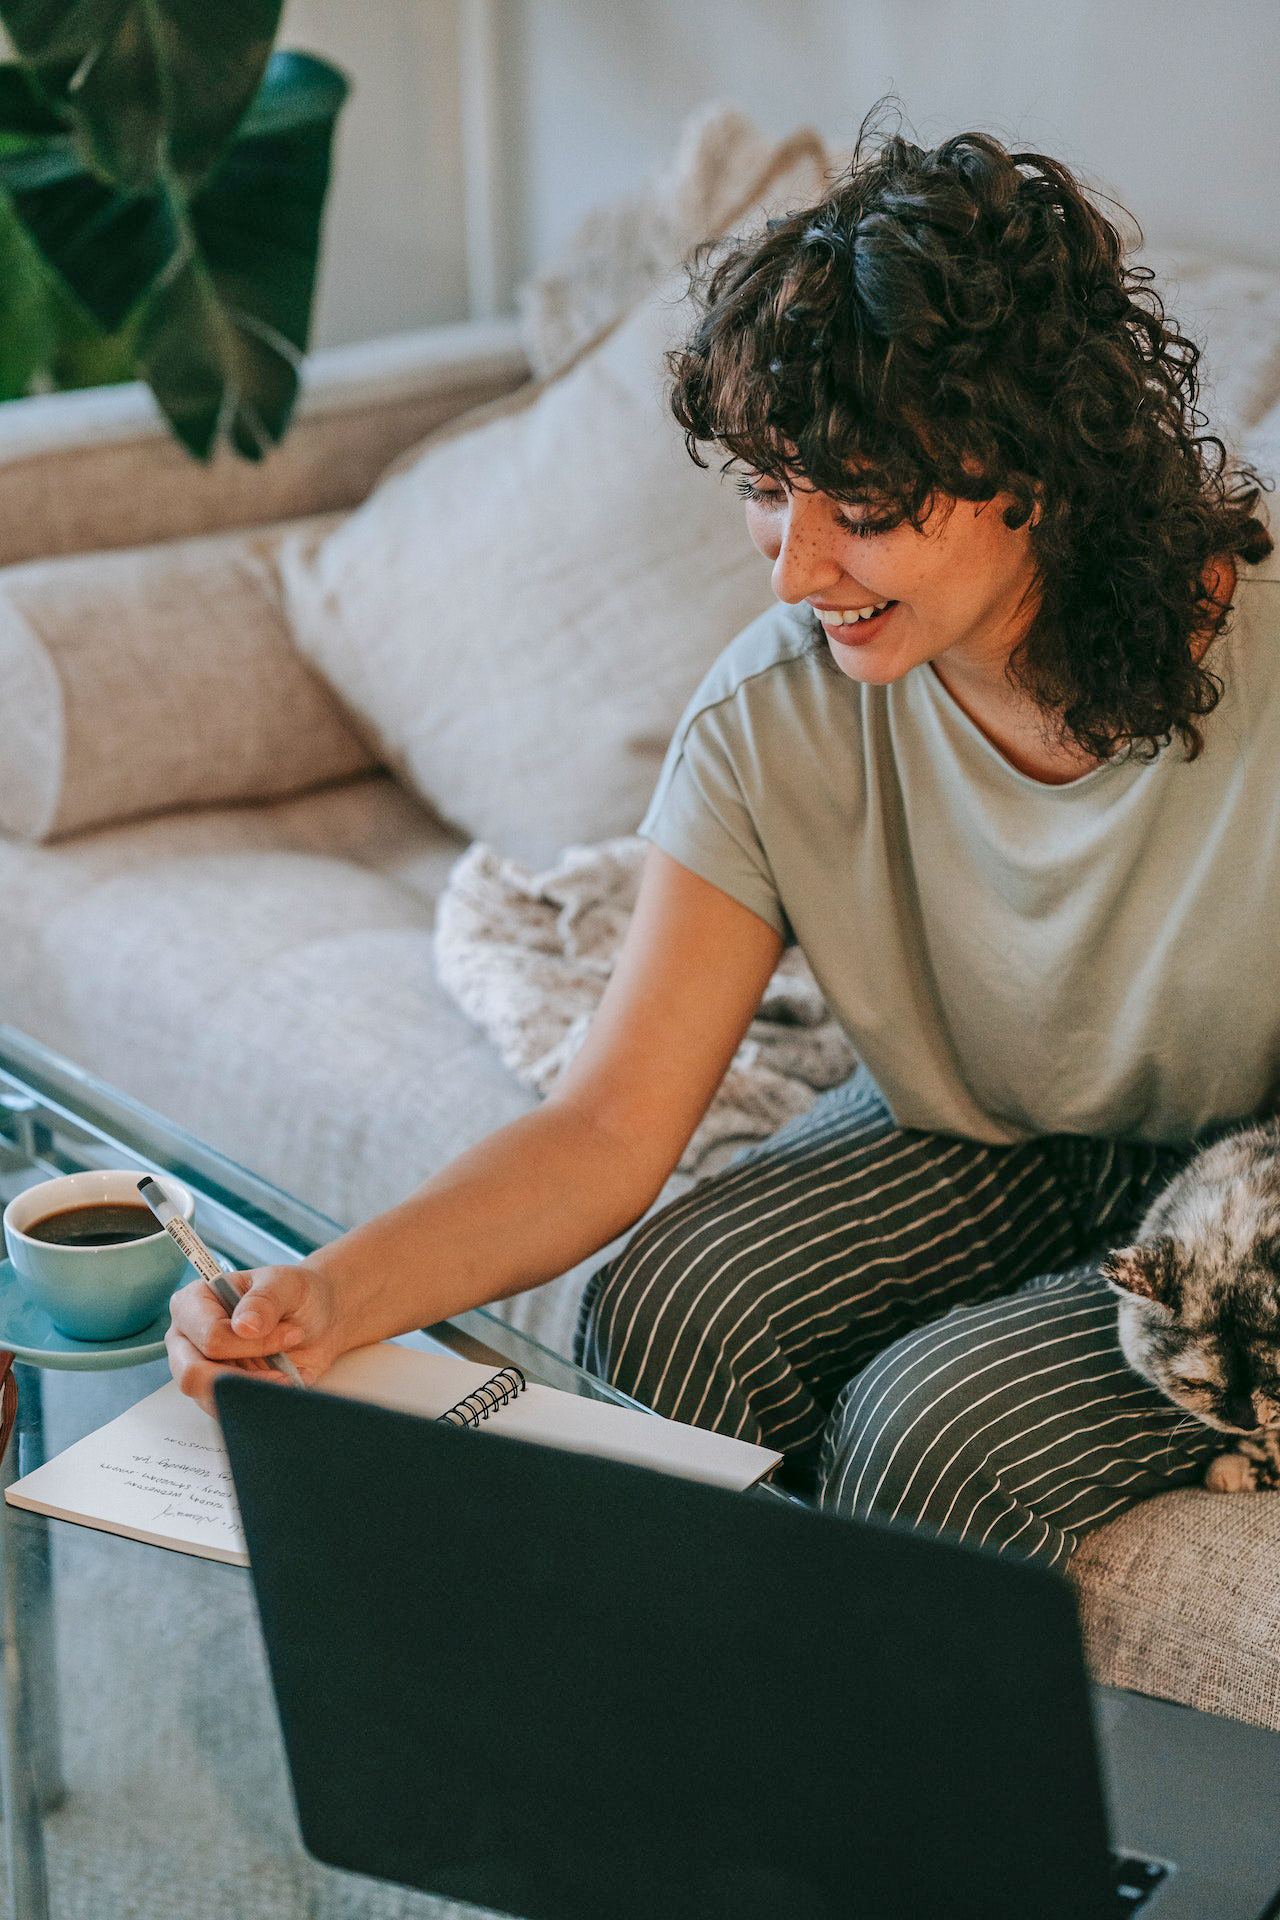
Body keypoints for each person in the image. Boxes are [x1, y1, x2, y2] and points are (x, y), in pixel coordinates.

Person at [167, 106, 1277, 1570]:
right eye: (766, 490)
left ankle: (880, 1803)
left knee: (928, 1434)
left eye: (865, 506)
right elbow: (609, 1127)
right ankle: (658, 1775)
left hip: (1241, 1201)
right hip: (987, 1122)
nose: (798, 568)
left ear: (1039, 465)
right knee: (668, 1308)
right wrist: (331, 1292)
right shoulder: (773, 718)